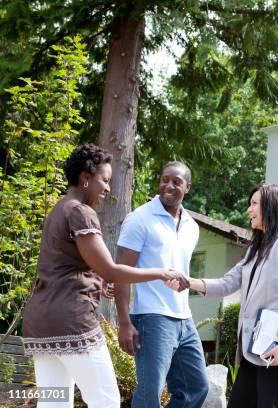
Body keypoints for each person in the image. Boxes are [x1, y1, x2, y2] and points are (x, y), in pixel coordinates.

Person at [22, 144, 184, 408]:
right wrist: (160, 272)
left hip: (41, 321)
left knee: (54, 403)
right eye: (105, 180)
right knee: (106, 400)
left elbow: (70, 266)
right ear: (86, 178)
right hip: (70, 320)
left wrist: (99, 284)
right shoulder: (80, 212)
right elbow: (109, 269)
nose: (108, 188)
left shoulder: (59, 209)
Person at [175, 184, 278, 408]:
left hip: (275, 348)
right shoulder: (255, 249)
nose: (249, 209)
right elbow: (227, 283)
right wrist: (188, 282)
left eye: (254, 204)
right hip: (252, 348)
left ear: (271, 207)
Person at [114, 161, 209, 408]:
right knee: (150, 394)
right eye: (164, 179)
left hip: (184, 318)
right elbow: (121, 273)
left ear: (187, 187)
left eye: (176, 182)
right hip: (151, 317)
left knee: (196, 387)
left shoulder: (192, 226)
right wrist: (124, 323)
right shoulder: (140, 218)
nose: (168, 185)